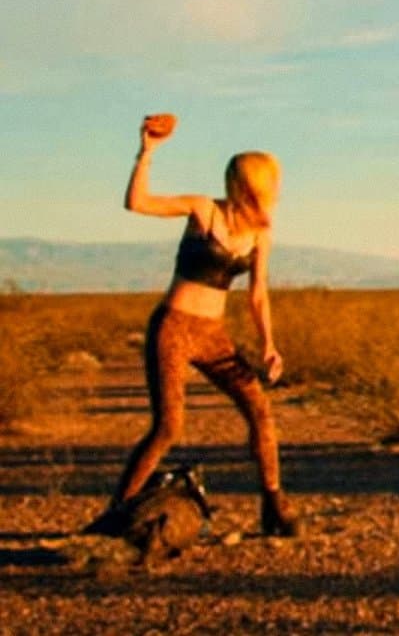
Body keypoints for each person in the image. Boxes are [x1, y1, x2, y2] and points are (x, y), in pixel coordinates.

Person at [83, 115, 298, 538]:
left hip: (213, 335)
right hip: (174, 328)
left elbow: (258, 294)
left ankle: (274, 505)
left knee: (260, 409)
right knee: (168, 427)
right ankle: (116, 514)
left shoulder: (260, 236)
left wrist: (268, 345)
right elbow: (138, 203)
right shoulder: (203, 210)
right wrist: (146, 153)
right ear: (251, 183)